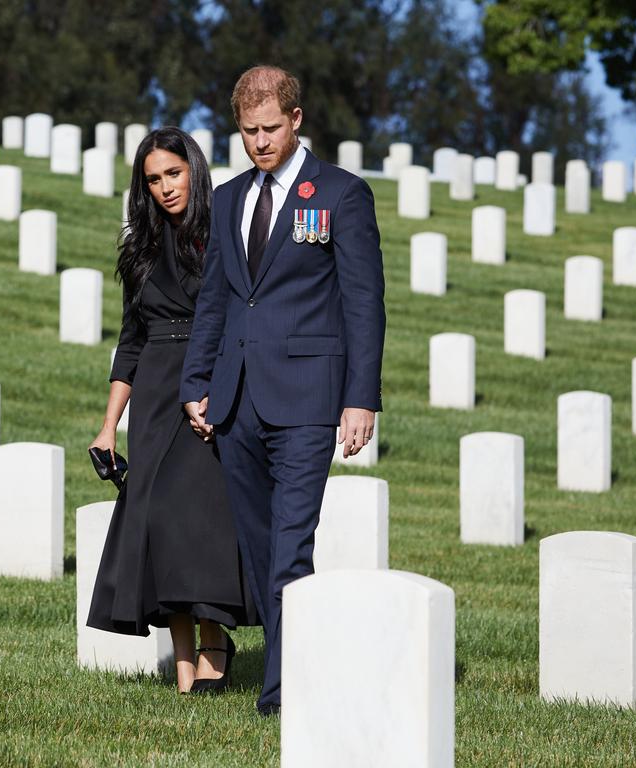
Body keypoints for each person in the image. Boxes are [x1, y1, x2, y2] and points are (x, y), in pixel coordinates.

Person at [180, 66, 386, 716]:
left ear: (296, 120)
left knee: (291, 545)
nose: (260, 142)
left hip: (307, 400)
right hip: (236, 400)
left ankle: (283, 693)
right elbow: (215, 297)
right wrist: (197, 381)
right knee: (262, 547)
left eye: (271, 128)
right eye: (248, 132)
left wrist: (362, 398)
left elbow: (363, 300)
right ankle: (302, 665)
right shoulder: (233, 196)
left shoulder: (341, 195)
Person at [87, 126, 257, 695]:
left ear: (195, 171)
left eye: (173, 173)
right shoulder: (139, 249)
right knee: (158, 522)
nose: (164, 187)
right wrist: (109, 425)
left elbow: (239, 316)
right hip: (156, 392)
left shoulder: (223, 234)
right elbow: (130, 341)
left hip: (206, 381)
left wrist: (218, 384)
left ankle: (215, 641)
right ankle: (185, 669)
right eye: (153, 179)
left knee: (197, 522)